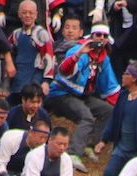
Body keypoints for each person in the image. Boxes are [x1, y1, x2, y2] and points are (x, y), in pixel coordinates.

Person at [48, 24, 119, 164]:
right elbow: (64, 70)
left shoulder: (104, 58)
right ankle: (72, 153)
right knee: (87, 117)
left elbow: (109, 85)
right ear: (91, 36)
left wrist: (122, 107)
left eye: (104, 36)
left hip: (83, 96)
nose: (101, 38)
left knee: (108, 111)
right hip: (62, 94)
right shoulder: (79, 50)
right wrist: (78, 54)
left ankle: (89, 145)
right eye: (98, 35)